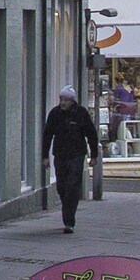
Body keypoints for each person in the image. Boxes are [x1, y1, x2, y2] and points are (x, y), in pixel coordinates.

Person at [42, 86, 102, 232]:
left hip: (77, 154)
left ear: (72, 101)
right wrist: (45, 156)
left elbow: (91, 134)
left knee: (72, 187)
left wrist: (94, 156)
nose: (62, 103)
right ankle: (67, 210)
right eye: (61, 100)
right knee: (62, 187)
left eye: (65, 100)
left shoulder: (81, 113)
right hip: (60, 154)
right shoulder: (55, 114)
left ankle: (69, 222)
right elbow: (47, 135)